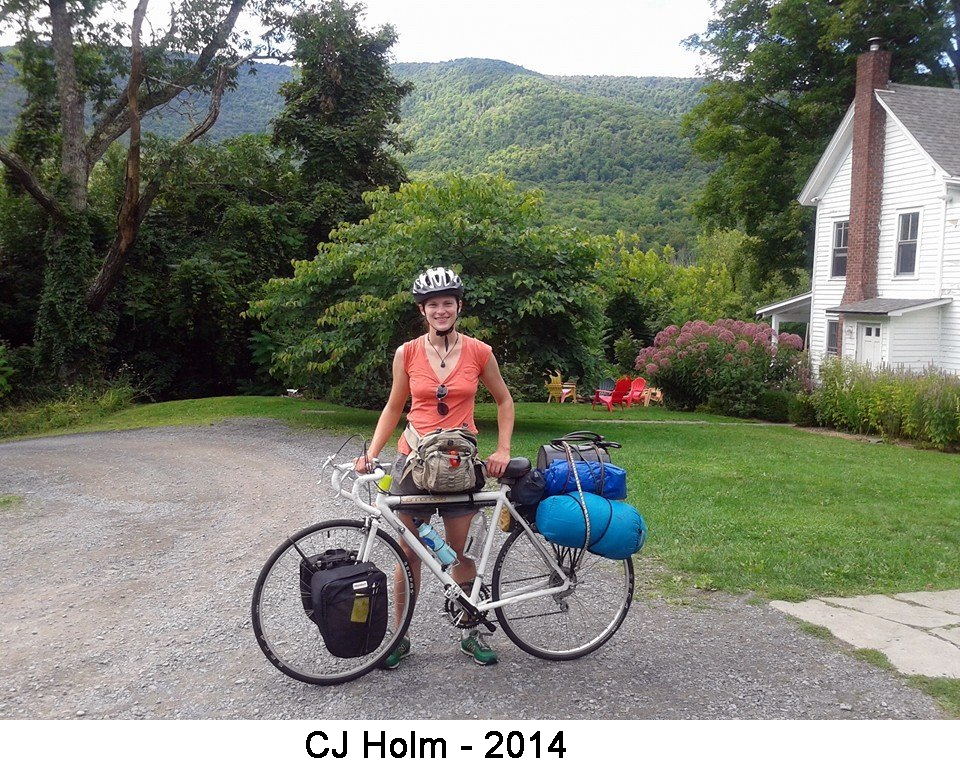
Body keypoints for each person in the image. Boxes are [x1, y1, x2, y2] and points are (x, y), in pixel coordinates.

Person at [355, 267, 515, 668]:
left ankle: (470, 632)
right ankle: (399, 637)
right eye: (432, 305)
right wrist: (372, 453)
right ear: (422, 311)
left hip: (460, 462)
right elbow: (394, 406)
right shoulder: (406, 353)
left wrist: (503, 449)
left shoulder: (480, 352)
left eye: (447, 303)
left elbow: (504, 401)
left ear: (458, 306)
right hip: (414, 460)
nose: (440, 310)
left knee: (456, 552)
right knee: (409, 552)